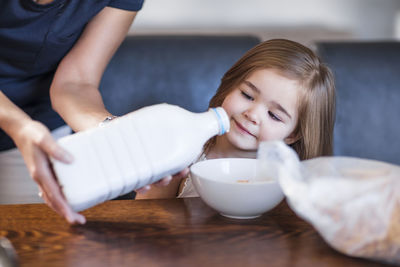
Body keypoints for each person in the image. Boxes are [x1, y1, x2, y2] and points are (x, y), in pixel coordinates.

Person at [0, 0, 185, 225]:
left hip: (39, 128)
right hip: (22, 126)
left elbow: (75, 84)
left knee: (30, 238)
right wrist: (17, 125)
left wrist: (112, 132)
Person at [136, 38, 336, 199]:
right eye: (247, 95)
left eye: (274, 115)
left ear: (293, 134)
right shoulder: (186, 153)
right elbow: (147, 214)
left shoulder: (284, 181)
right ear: (229, 87)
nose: (253, 114)